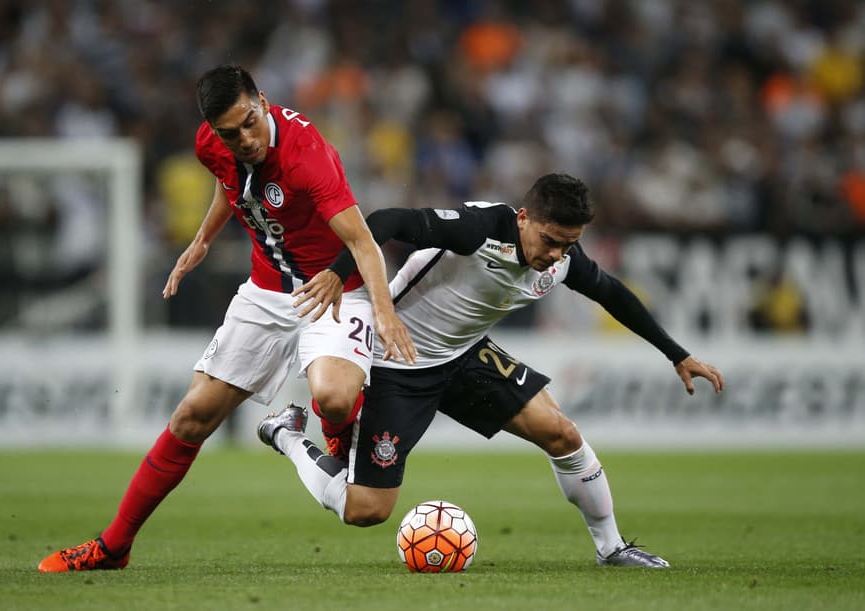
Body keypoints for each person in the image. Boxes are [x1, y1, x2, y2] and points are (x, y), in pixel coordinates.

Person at [38, 65, 415, 572]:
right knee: (192, 416)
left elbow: (362, 241)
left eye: (250, 123)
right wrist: (203, 239)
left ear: (262, 99)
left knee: (333, 394)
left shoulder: (308, 158)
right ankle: (113, 546)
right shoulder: (212, 143)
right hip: (265, 291)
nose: (244, 139)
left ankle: (335, 428)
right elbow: (229, 183)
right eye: (229, 133)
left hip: (333, 289)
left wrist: (386, 315)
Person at [257, 173, 724, 567]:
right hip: (397, 360)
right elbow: (385, 221)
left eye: (569, 245)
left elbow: (612, 292)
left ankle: (612, 549)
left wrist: (676, 354)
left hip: (463, 355)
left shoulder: (561, 261)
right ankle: (288, 434)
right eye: (551, 241)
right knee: (366, 510)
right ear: (524, 218)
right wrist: (340, 272)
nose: (557, 255)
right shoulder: (477, 229)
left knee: (562, 434)